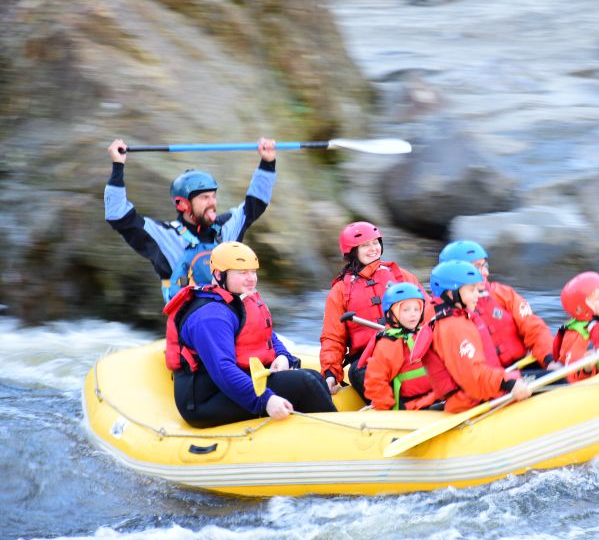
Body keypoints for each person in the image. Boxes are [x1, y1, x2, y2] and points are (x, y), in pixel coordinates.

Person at [164, 241, 336, 428]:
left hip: (238, 383)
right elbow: (224, 371)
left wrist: (282, 355)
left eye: (253, 272)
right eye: (242, 273)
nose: (251, 278)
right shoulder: (210, 316)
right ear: (218, 275)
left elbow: (266, 334)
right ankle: (341, 438)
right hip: (205, 401)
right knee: (305, 383)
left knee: (314, 377)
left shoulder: (239, 299)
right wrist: (266, 399)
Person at [104, 137, 277, 302]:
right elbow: (118, 216)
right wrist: (118, 166)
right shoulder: (164, 236)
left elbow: (256, 202)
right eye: (204, 198)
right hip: (191, 324)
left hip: (228, 318)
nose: (212, 203)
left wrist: (267, 163)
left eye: (213, 196)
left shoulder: (225, 228)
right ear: (183, 204)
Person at [319, 221, 433, 401]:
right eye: (365, 245)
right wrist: (330, 372)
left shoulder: (400, 276)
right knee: (357, 372)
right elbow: (332, 337)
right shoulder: (340, 291)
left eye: (375, 243)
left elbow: (429, 314)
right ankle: (394, 407)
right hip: (367, 357)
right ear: (352, 251)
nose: (373, 249)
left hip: (406, 346)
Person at [410, 260, 532, 413]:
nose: (477, 295)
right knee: (558, 380)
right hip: (472, 401)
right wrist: (509, 383)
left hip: (483, 391)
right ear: (450, 293)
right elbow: (473, 378)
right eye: (471, 290)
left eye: (477, 289)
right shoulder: (453, 327)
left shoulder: (456, 318)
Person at [438, 240, 558, 372]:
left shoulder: (503, 294)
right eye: (476, 268)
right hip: (490, 381)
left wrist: (550, 359)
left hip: (524, 366)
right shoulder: (444, 315)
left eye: (485, 266)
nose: (485, 273)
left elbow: (534, 328)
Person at [355, 283, 436, 411]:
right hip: (411, 406)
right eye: (406, 310)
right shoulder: (389, 344)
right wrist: (387, 408)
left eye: (416, 309)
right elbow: (376, 381)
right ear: (390, 314)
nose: (413, 314)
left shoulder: (425, 332)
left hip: (435, 396)